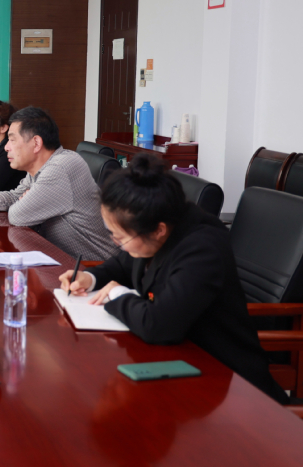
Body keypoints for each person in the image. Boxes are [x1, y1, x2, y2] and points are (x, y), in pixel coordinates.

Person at [59, 155, 288, 404]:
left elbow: (158, 325)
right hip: (177, 361)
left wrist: (117, 295)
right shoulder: (159, 221)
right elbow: (124, 263)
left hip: (227, 384)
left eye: (120, 238)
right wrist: (90, 277)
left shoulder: (202, 248)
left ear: (158, 230)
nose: (117, 244)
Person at [0, 106, 115, 260]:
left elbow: (17, 215)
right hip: (60, 260)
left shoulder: (61, 167)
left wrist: (24, 200)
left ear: (36, 143)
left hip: (94, 269)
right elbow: (12, 196)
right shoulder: (39, 169)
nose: (6, 147)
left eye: (12, 140)